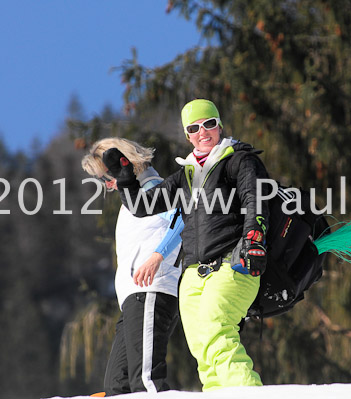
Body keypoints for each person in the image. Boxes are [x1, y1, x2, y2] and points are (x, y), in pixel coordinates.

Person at [102, 99, 270, 391]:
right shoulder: (187, 175)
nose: (203, 132)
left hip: (233, 261)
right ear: (187, 134)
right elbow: (142, 206)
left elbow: (256, 199)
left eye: (209, 124)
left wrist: (255, 238)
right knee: (202, 347)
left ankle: (247, 392)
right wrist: (126, 178)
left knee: (217, 329)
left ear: (219, 125)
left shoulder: (238, 160)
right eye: (194, 127)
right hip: (193, 274)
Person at [81, 137, 184, 395]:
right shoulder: (134, 200)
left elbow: (184, 218)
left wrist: (158, 255)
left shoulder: (154, 189)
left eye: (108, 176)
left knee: (146, 381)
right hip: (133, 299)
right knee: (118, 386)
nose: (107, 185)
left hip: (152, 290)